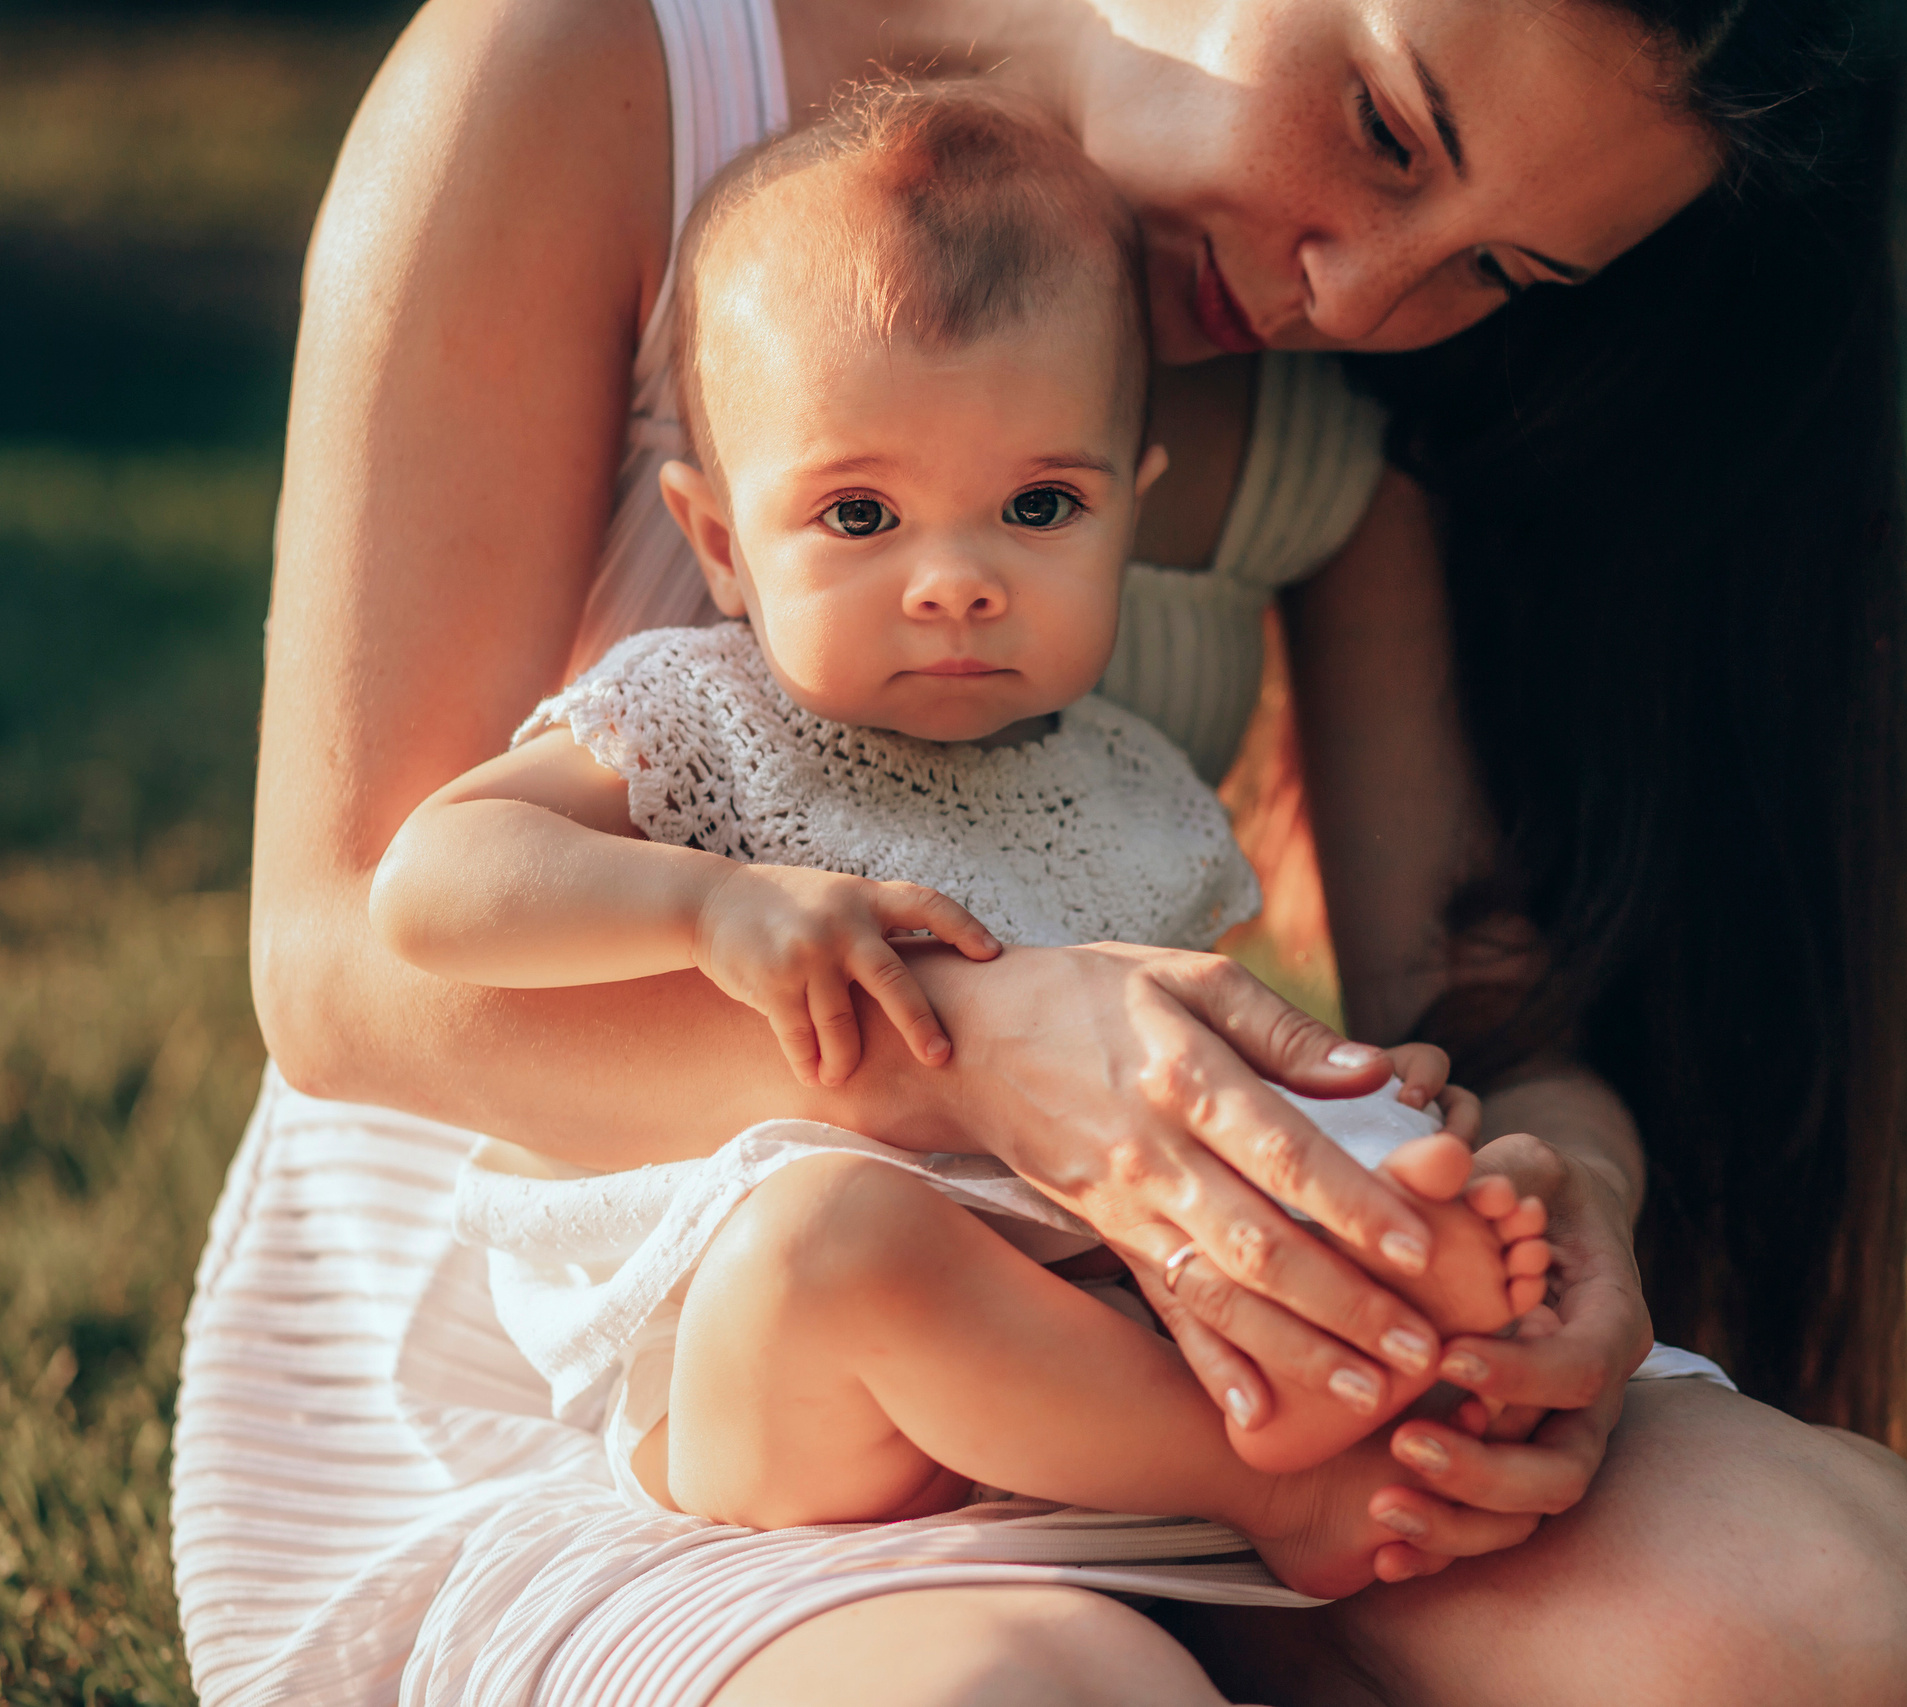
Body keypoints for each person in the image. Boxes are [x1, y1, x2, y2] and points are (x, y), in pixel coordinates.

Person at [175, 0, 1907, 1698]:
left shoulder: (1320, 414)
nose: (1356, 290)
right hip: (623, 1399)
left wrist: (1576, 1208)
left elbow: (1477, 997)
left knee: (1834, 1608)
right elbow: (346, 968)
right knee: (1036, 1688)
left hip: (1144, 1351)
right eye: (1385, 128)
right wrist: (970, 1048)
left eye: (1497, 266)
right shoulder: (585, 73)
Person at [367, 84, 1560, 1578]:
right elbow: (429, 885)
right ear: (723, 545)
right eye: (860, 517)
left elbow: (1169, 1069)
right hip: (762, 1377)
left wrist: (1343, 1113)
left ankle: (1399, 1325)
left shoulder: (1132, 788)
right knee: (839, 1242)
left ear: (1133, 510)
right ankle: (1273, 1497)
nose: (956, 581)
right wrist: (706, 908)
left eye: (1039, 505)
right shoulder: (699, 715)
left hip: (1077, 1327)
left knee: (1367, 1175)